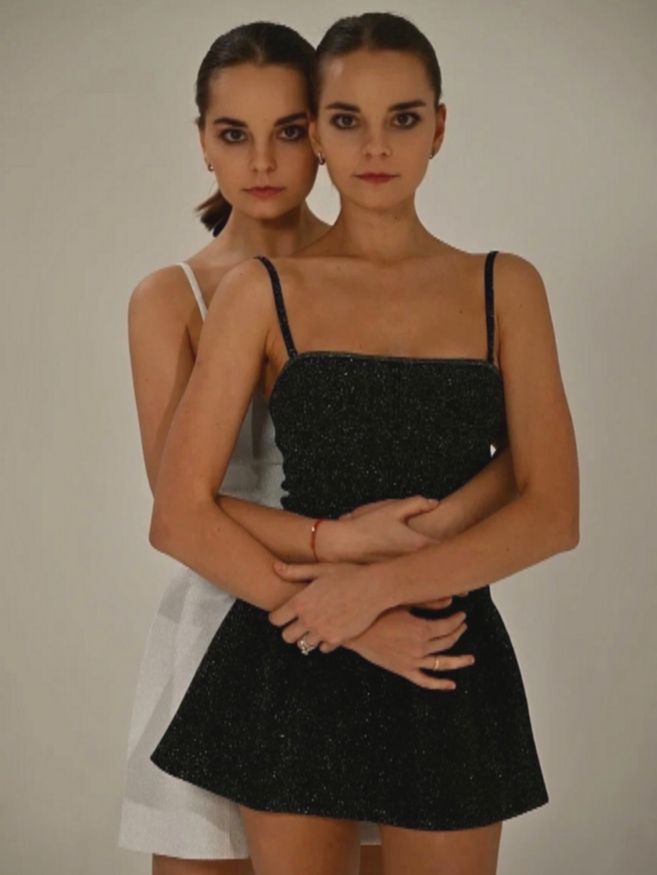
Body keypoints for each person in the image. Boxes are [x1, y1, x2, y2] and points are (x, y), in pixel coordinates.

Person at [119, 18, 521, 875]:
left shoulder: (393, 281)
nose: (263, 162)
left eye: (290, 130)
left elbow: (508, 459)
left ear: (318, 135)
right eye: (234, 134)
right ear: (203, 143)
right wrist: (335, 548)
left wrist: (402, 556)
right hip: (240, 603)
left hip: (394, 604)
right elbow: (182, 505)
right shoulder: (182, 295)